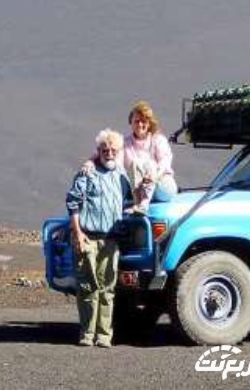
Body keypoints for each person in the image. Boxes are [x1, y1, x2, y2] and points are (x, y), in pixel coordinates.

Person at [65, 128, 133, 348]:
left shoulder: (122, 176)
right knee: (87, 287)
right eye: (105, 150)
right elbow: (73, 203)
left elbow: (128, 204)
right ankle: (87, 333)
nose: (109, 153)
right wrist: (78, 233)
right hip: (88, 239)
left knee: (107, 288)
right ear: (99, 151)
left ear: (119, 151)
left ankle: (104, 335)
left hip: (111, 240)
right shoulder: (87, 173)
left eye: (113, 150)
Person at [82, 101, 178, 213]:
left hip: (161, 186)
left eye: (143, 121)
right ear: (131, 122)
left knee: (147, 163)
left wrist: (154, 176)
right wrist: (90, 162)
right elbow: (105, 151)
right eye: (137, 121)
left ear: (149, 123)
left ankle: (143, 204)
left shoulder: (158, 140)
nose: (140, 125)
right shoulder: (124, 143)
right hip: (136, 190)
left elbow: (164, 162)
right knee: (128, 168)